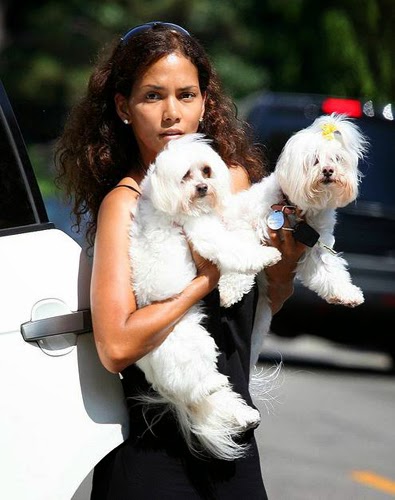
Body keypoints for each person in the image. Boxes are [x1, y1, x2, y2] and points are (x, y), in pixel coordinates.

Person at [55, 21, 306, 500]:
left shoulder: (232, 182)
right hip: (155, 459)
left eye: (186, 94)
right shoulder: (124, 204)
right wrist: (199, 284)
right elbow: (114, 346)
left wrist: (286, 262)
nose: (172, 113)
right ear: (123, 108)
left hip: (233, 447)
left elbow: (271, 297)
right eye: (153, 96)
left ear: (205, 102)